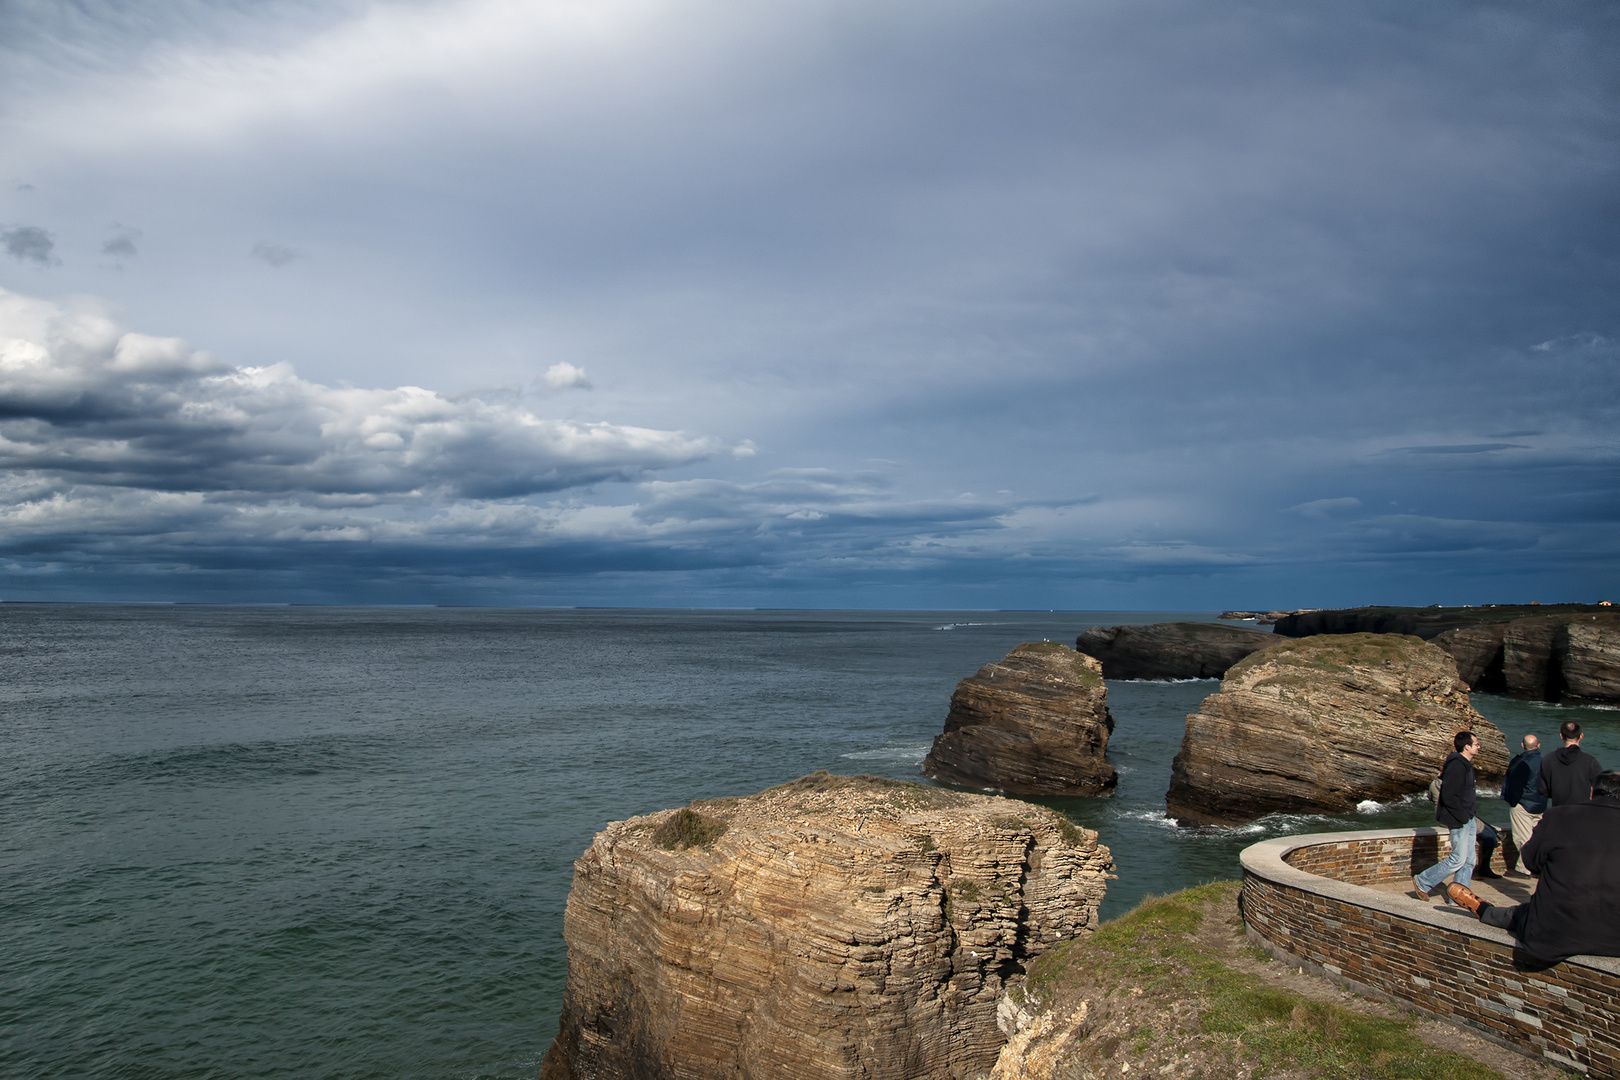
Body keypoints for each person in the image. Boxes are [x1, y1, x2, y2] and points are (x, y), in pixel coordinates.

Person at [1445, 770, 1620, 963]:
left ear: (1592, 792)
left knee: (1522, 913)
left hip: (1555, 932)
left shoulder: (1559, 816)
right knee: (1525, 912)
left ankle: (1484, 909)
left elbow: (1530, 862)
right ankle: (1486, 909)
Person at [1411, 730, 1480, 902]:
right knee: (1458, 859)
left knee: (1469, 860)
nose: (1479, 747)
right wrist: (1463, 817)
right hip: (1460, 819)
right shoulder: (1457, 766)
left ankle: (1458, 898)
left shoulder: (1465, 765)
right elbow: (1449, 796)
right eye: (1477, 744)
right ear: (1467, 747)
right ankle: (1423, 881)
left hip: (1468, 818)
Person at [1500, 734, 1548, 875]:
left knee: (1523, 839)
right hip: (1540, 804)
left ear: (1522, 745)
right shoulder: (1545, 762)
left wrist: (1513, 802)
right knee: (1537, 838)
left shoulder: (1521, 762)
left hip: (1524, 804)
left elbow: (1514, 785)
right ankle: (1537, 867)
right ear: (1539, 746)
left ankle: (1523, 869)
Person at [1536, 721, 1602, 807]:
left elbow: (1542, 790)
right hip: (1581, 812)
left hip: (1558, 811)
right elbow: (1601, 787)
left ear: (1561, 736)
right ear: (1581, 736)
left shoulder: (1548, 759)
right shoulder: (1590, 761)